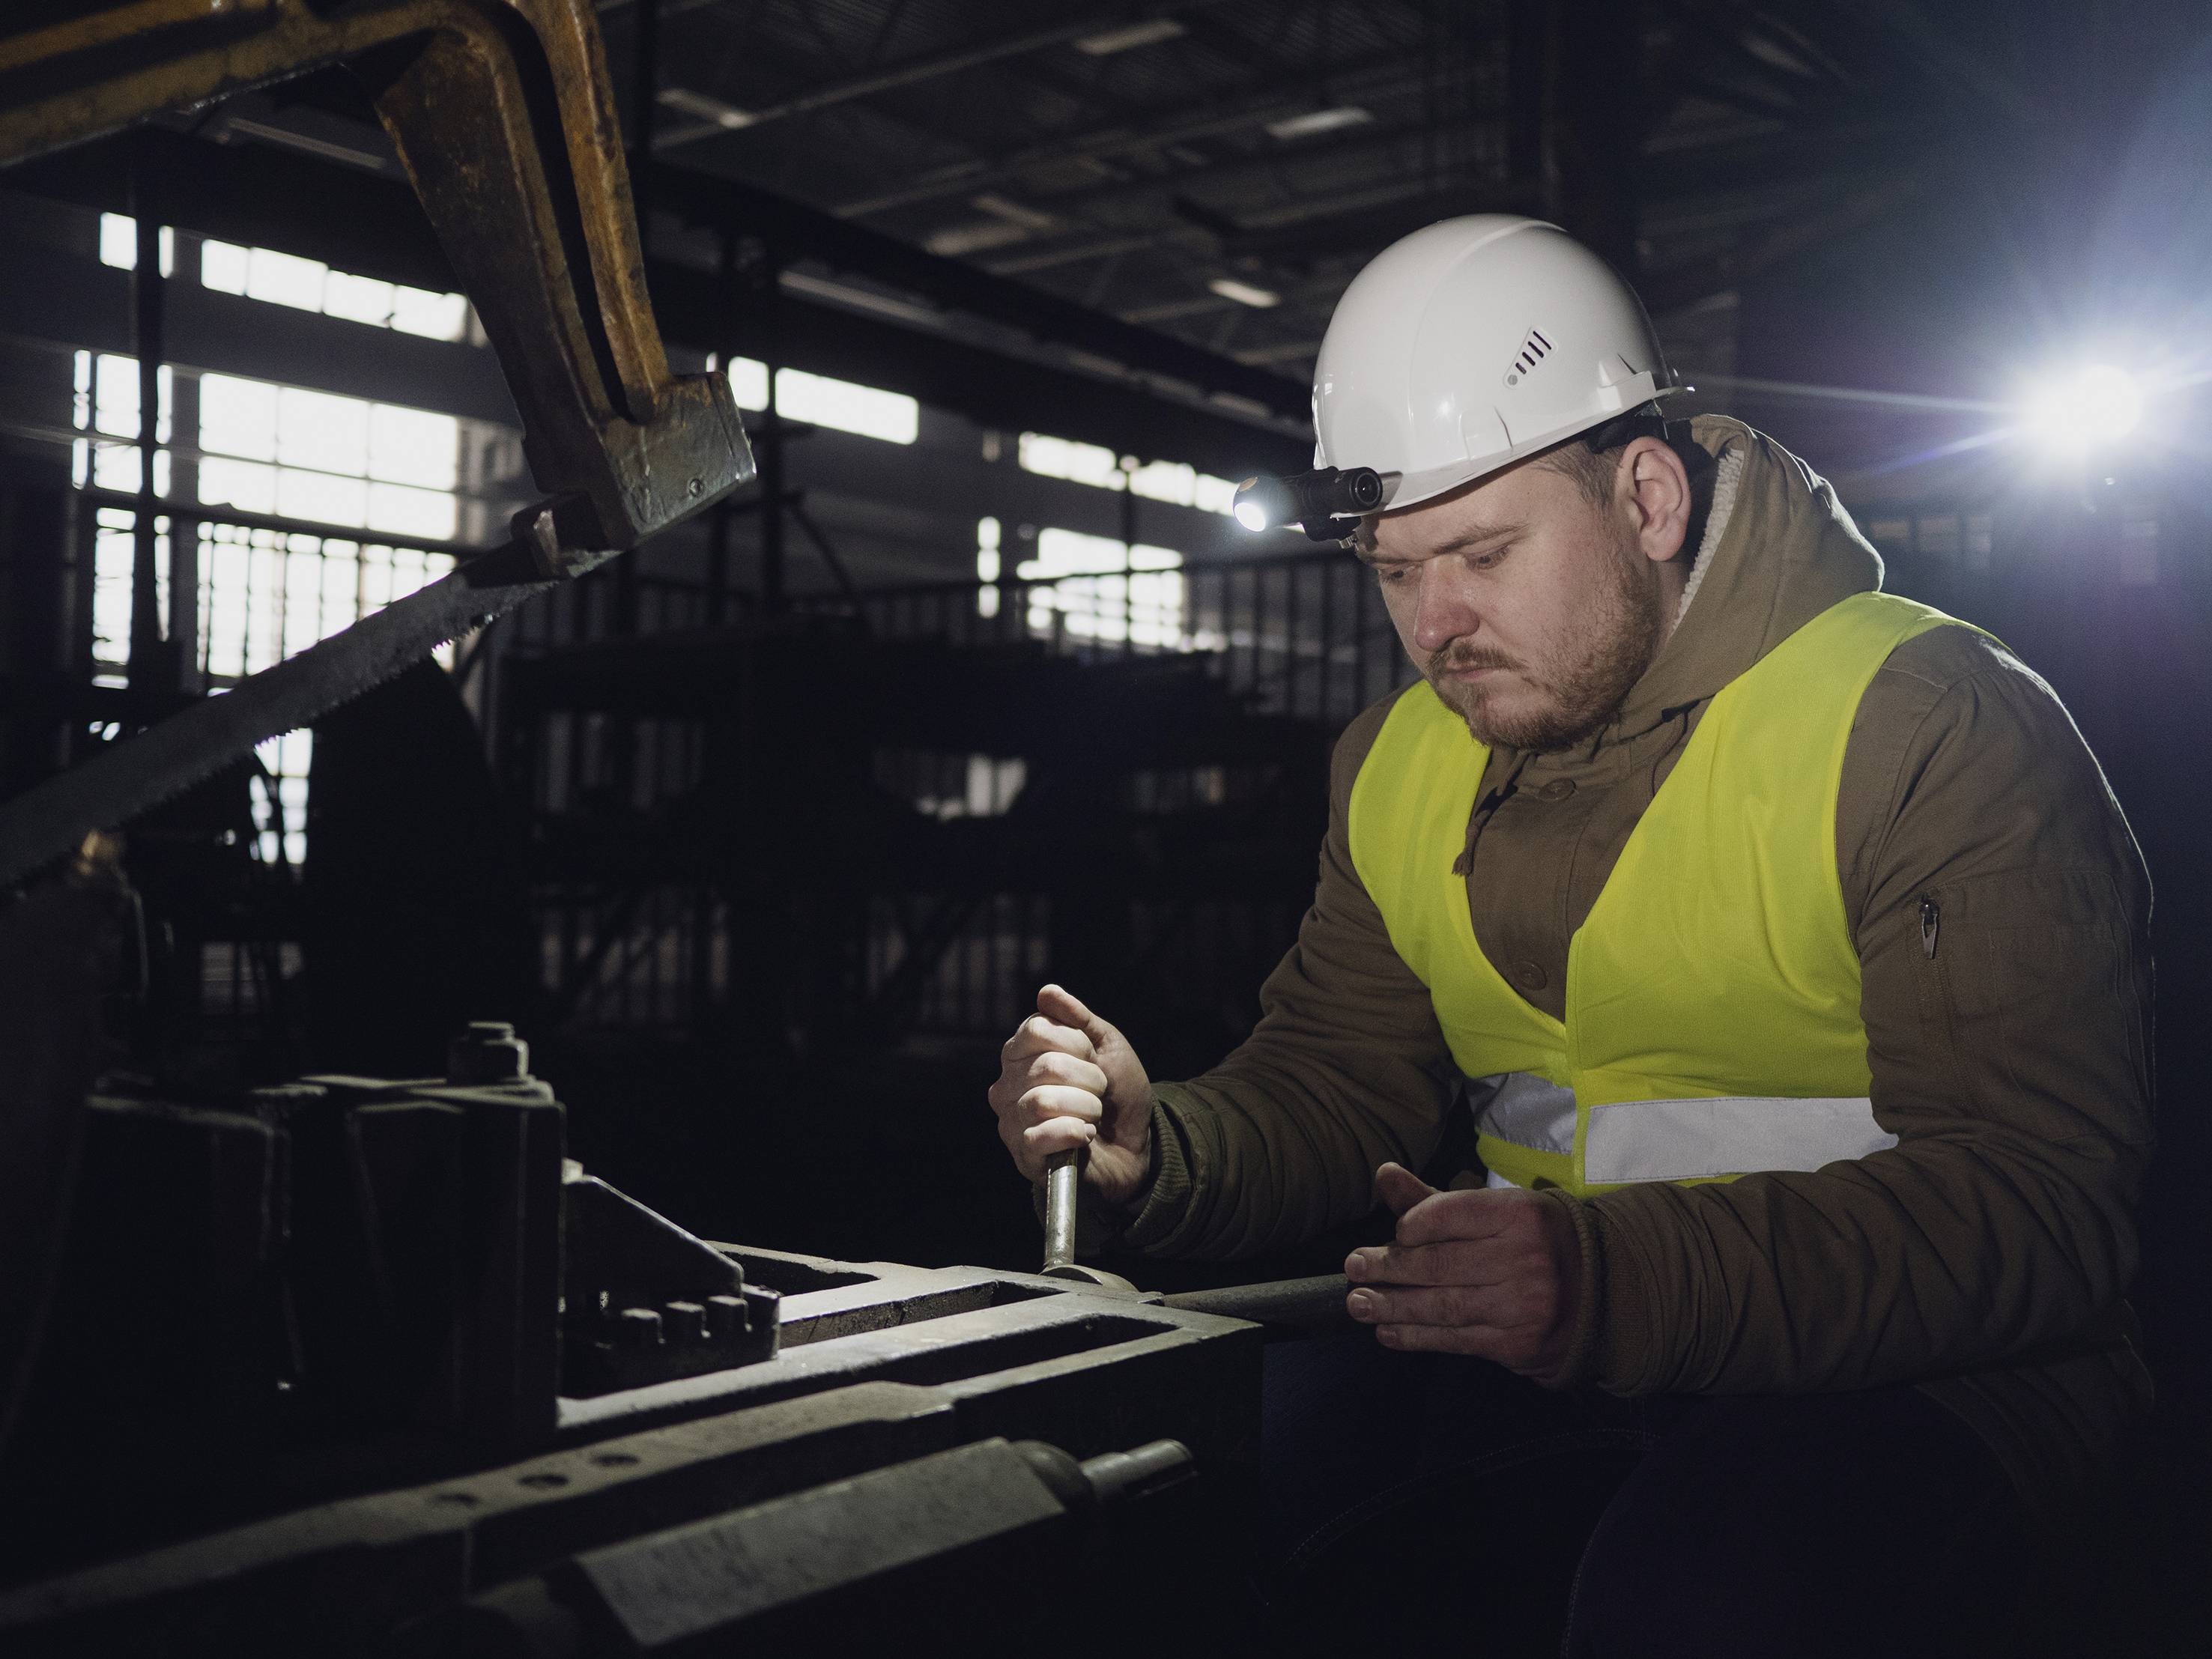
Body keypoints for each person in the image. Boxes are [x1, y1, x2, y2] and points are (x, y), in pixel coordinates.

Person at [984, 216, 2153, 1656]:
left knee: (1704, 1598)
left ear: (1648, 499)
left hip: (1931, 1377)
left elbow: (2042, 1210)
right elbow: (1343, 1076)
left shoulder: (1926, 724)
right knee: (1182, 1517)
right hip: (1539, 1346)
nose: (1435, 623)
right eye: (1393, 570)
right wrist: (1164, 1140)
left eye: (1479, 552)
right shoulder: (1398, 761)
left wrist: (1613, 1280)